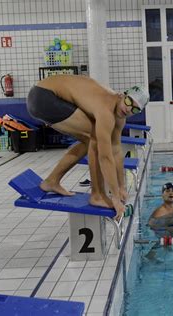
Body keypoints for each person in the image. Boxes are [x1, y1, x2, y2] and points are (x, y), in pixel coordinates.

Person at [26, 75, 150, 219]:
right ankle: (97, 195)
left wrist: (121, 186)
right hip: (44, 97)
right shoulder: (106, 110)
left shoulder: (119, 117)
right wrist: (115, 197)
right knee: (94, 138)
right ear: (123, 95)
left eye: (134, 109)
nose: (128, 109)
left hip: (45, 94)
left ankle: (51, 181)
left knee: (89, 140)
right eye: (129, 101)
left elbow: (116, 151)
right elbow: (105, 157)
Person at [146, 182, 173, 260]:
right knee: (162, 240)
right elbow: (150, 224)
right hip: (162, 229)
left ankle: (167, 246)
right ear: (162, 196)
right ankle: (149, 256)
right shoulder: (160, 211)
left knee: (171, 237)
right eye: (167, 191)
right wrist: (166, 228)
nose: (171, 193)